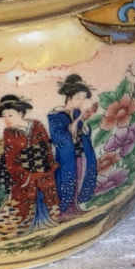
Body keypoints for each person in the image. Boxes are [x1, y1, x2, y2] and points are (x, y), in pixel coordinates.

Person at [0, 94, 59, 227]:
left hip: (43, 168)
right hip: (24, 172)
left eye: (10, 115)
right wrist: (23, 174)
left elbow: (46, 146)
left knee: (46, 195)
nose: (6, 119)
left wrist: (46, 165)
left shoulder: (36, 125)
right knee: (25, 199)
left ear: (20, 113)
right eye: (4, 116)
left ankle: (47, 219)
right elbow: (10, 157)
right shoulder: (9, 133)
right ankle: (28, 222)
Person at [48, 74, 99, 215]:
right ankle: (65, 210)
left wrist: (84, 127)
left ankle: (76, 206)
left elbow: (82, 132)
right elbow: (59, 137)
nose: (81, 101)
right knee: (68, 180)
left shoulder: (76, 112)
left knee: (80, 177)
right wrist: (76, 123)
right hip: (66, 156)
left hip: (80, 152)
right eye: (78, 98)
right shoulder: (55, 115)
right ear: (69, 97)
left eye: (83, 98)